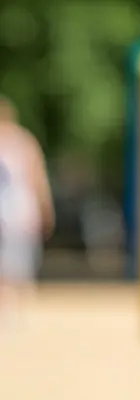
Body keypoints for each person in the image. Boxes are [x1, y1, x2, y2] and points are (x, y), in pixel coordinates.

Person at [0, 95, 54, 323]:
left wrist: (44, 207)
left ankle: (14, 307)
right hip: (14, 213)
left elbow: (37, 179)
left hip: (18, 213)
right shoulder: (24, 142)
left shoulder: (23, 143)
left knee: (17, 263)